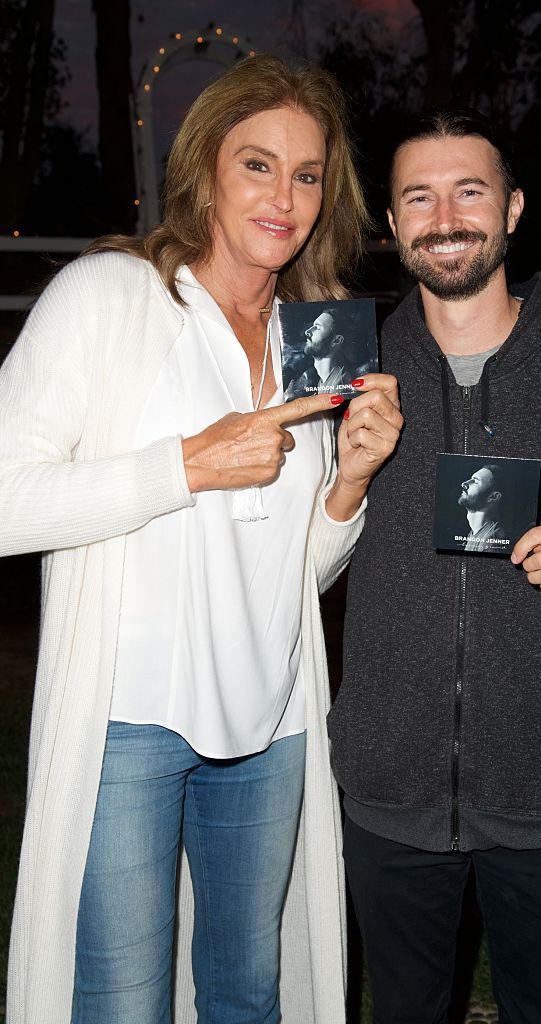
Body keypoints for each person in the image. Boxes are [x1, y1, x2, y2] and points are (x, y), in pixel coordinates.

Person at [0, 55, 402, 1024]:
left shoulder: (313, 338)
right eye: (257, 164)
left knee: (246, 994)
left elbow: (290, 570)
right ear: (204, 169)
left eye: (307, 174)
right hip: (131, 722)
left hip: (268, 723)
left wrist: (347, 482)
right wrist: (181, 464)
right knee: (123, 1002)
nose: (285, 196)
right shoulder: (111, 295)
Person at [328, 109, 541, 1024]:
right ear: (394, 224)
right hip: (388, 782)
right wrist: (344, 476)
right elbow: (280, 556)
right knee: (403, 1008)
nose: (444, 214)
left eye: (468, 190)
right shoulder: (344, 372)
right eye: (418, 196)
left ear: (513, 208)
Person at [284, 307, 377, 399]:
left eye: (318, 328)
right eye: (313, 325)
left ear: (336, 341)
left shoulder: (341, 388)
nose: (307, 332)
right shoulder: (324, 382)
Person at [458, 463, 507, 551]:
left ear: (493, 497)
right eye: (470, 479)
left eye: (476, 481)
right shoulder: (474, 533)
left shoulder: (490, 541)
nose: (464, 484)